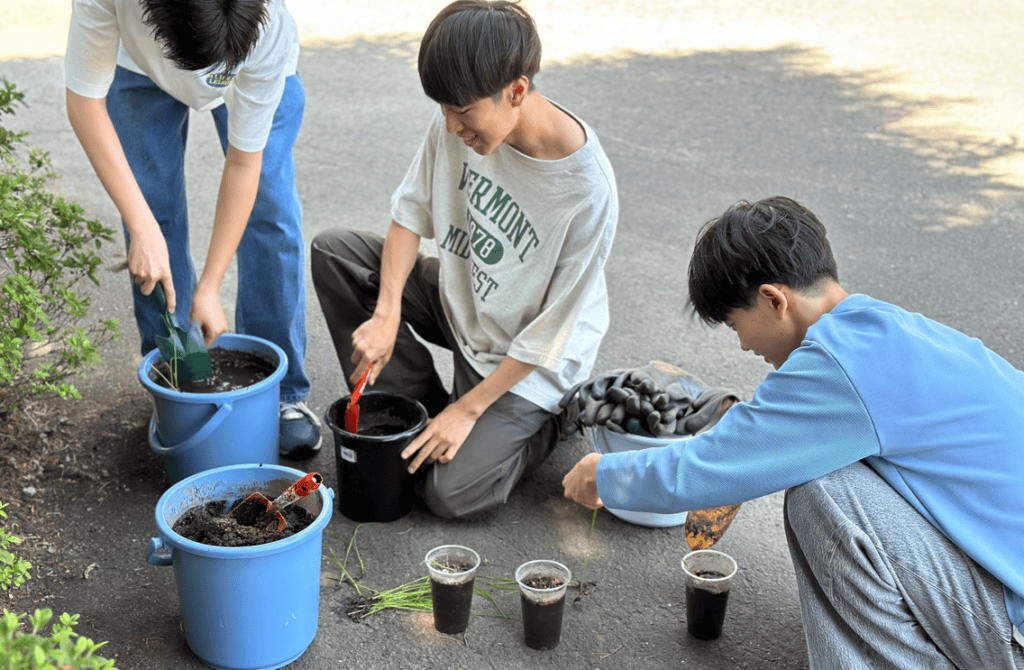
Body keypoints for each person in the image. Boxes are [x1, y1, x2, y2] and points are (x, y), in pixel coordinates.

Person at [562, 196, 1024, 669]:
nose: (742, 343)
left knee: (822, 492)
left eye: (735, 323)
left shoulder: (842, 362)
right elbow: (759, 440)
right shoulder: (885, 329)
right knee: (837, 473)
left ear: (773, 299)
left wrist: (606, 475)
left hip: (1015, 632)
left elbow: (716, 462)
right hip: (1004, 588)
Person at [311, 0, 618, 519]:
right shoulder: (460, 121)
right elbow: (410, 214)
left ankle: (549, 422)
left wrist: (470, 408)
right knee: (334, 252)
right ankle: (423, 408)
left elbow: (550, 335)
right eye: (444, 110)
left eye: (462, 111)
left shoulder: (587, 191)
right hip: (467, 303)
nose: (452, 127)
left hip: (528, 359)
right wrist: (386, 314)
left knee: (447, 495)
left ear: (516, 91)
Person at [64, 0, 321, 458]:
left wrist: (210, 285)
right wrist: (141, 223)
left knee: (269, 210)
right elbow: (85, 101)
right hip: (136, 68)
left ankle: (281, 396)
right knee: (151, 213)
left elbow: (245, 163)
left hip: (248, 55)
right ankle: (181, 379)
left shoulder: (268, 28)